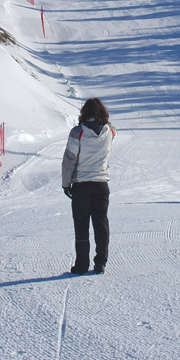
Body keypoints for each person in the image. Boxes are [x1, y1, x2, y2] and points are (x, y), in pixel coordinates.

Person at [62, 97, 116, 275]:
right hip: (101, 184)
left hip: (81, 185)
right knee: (101, 223)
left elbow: (69, 159)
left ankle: (82, 264)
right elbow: (112, 129)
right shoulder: (110, 132)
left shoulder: (77, 132)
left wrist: (66, 184)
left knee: (81, 224)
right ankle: (101, 262)